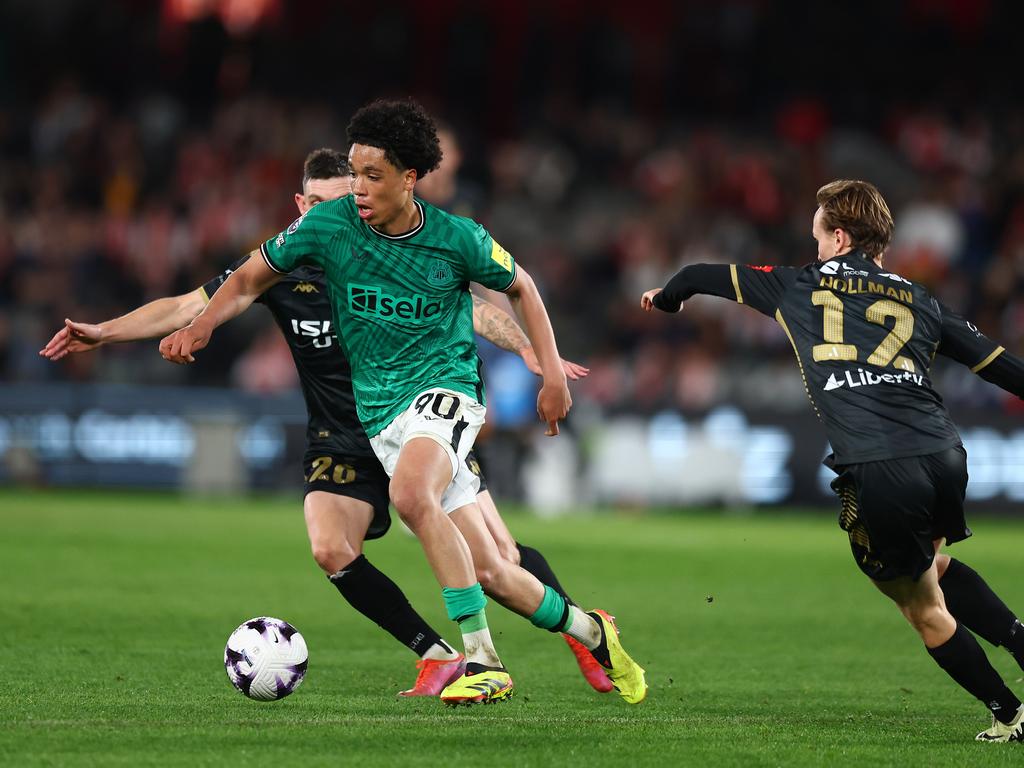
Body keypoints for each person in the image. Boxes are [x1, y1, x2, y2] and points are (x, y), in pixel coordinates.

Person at [40, 147, 614, 699]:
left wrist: (532, 354)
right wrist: (106, 331)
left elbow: (477, 310)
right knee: (329, 546)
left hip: (419, 421)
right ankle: (439, 655)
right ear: (299, 204)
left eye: (344, 201)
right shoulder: (281, 268)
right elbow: (190, 303)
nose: (331, 215)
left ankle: (582, 632)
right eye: (316, 204)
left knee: (498, 566)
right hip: (342, 435)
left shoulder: (384, 256)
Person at [159, 100, 646, 706]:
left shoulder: (455, 238)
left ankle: (482, 661)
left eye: (373, 176)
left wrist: (550, 373)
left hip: (446, 391)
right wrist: (205, 325)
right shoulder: (329, 225)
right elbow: (250, 277)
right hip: (382, 411)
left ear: (410, 177)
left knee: (410, 495)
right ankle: (592, 629)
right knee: (494, 571)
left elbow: (520, 286)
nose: (358, 188)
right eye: (356, 174)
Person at [642, 179, 1024, 742]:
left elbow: (701, 274)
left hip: (878, 465)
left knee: (920, 605)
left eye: (818, 234)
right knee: (930, 568)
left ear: (840, 236)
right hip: (946, 454)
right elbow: (998, 366)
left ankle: (1009, 713)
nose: (814, 245)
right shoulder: (922, 298)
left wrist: (669, 297)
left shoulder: (797, 285)